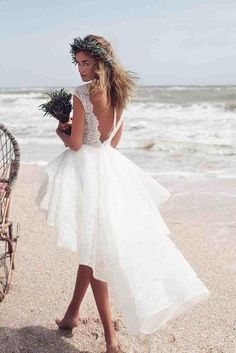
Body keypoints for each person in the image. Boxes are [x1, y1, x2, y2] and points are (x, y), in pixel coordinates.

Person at [36, 34, 211, 353]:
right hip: (112, 171)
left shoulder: (81, 94)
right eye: (78, 63)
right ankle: (72, 315)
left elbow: (76, 145)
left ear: (100, 62)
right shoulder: (120, 94)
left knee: (93, 253)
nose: (81, 70)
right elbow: (112, 144)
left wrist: (61, 131)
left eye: (86, 63)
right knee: (91, 250)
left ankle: (111, 339)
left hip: (87, 173)